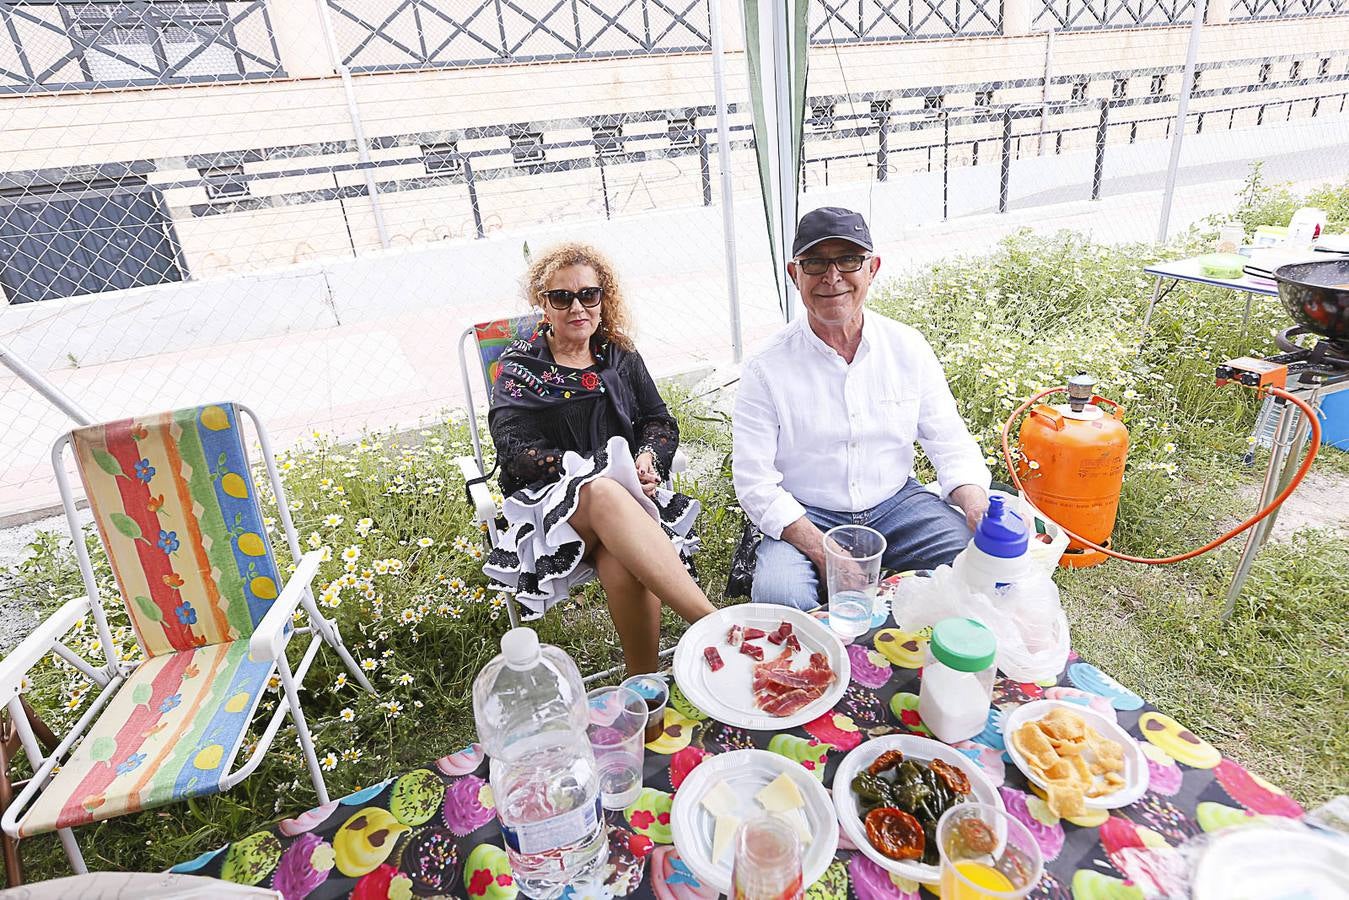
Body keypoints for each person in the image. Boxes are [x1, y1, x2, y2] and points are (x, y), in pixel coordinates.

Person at [732, 207, 991, 610]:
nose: (831, 277)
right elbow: (754, 482)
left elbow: (950, 444)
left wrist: (975, 504)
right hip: (807, 513)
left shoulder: (907, 348)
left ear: (872, 268)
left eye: (849, 260)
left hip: (898, 504)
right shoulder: (766, 367)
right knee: (779, 597)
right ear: (793, 273)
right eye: (815, 262)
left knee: (970, 566)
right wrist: (822, 551)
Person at [483, 241, 716, 674]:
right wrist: (597, 475)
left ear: (602, 298)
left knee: (619, 557)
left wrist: (648, 459)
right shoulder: (518, 370)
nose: (578, 307)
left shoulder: (619, 355)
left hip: (626, 510)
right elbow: (517, 454)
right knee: (604, 491)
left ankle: (643, 686)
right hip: (549, 513)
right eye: (562, 297)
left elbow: (658, 420)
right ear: (543, 303)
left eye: (588, 295)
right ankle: (712, 623)